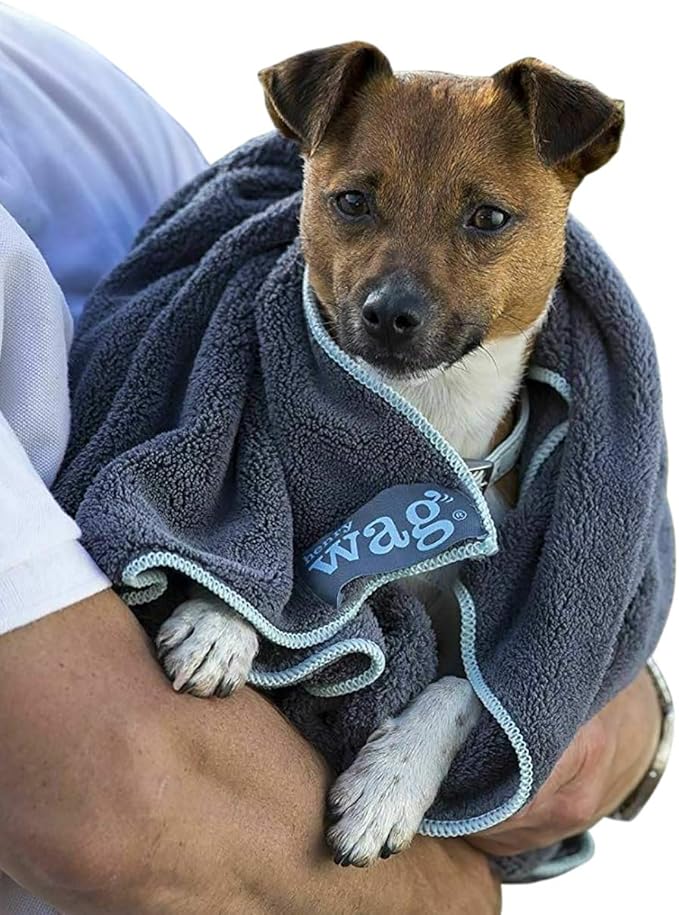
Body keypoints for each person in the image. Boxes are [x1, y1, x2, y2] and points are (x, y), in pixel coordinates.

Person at [0, 6, 668, 914]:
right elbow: (111, 799)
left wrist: (626, 719)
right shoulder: (254, 376)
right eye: (356, 204)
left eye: (483, 220)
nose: (399, 285)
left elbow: (552, 641)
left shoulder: (73, 93)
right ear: (310, 178)